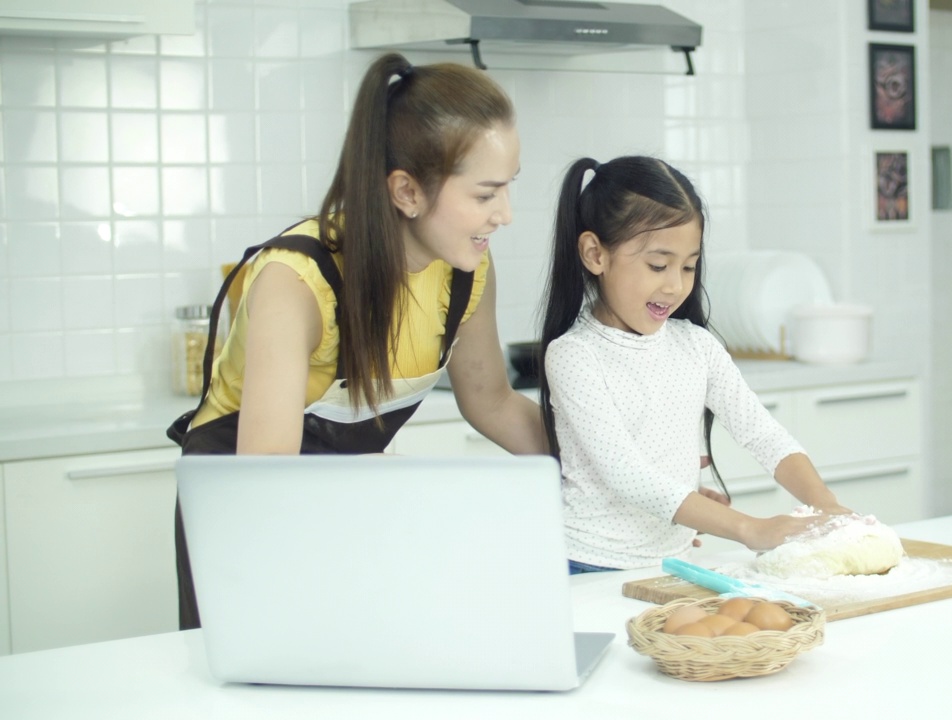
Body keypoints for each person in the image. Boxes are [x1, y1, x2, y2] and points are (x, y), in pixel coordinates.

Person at [166, 53, 544, 629]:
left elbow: (493, 402)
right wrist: (396, 489)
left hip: (348, 509)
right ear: (407, 191)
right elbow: (264, 473)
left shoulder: (466, 272)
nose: (506, 215)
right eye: (485, 194)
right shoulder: (297, 282)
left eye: (508, 189)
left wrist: (597, 473)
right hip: (244, 517)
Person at [537, 156, 851, 574]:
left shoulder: (696, 347)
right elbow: (627, 475)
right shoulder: (575, 356)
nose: (675, 285)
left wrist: (824, 504)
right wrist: (750, 529)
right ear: (596, 254)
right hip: (590, 565)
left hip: (673, 564)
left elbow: (762, 433)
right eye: (657, 265)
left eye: (688, 266)